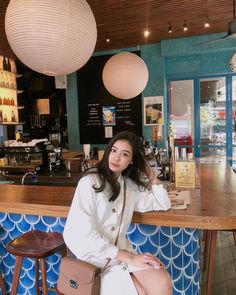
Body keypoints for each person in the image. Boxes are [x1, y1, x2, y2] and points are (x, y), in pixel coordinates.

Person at [63, 131, 172, 295]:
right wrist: (129, 257)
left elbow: (161, 203)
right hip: (94, 260)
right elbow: (80, 234)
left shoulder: (129, 186)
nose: (116, 158)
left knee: (162, 284)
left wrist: (152, 176)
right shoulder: (89, 183)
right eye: (113, 150)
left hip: (123, 254)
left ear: (131, 160)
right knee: (140, 292)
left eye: (125, 154)